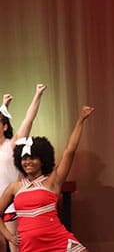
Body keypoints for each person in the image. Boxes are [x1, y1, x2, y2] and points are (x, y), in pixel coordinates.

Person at [0, 105, 94, 252]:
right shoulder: (14, 187)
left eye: (33, 158)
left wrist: (80, 120)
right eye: (24, 159)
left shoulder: (53, 181)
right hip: (29, 246)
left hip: (57, 240)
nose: (28, 162)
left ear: (43, 160)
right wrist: (10, 236)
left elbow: (70, 151)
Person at [0, 84, 46, 252]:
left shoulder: (11, 145)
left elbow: (28, 119)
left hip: (9, 209)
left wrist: (38, 94)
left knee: (17, 248)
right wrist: (5, 105)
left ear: (4, 127)